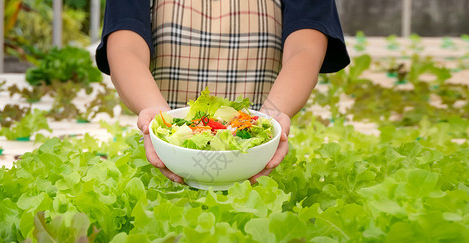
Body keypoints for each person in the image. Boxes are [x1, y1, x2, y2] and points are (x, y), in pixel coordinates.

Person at [96, 0, 350, 184]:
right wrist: (160, 122)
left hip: (262, 163)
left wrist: (272, 121)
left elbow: (306, 48)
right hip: (161, 158)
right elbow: (125, 47)